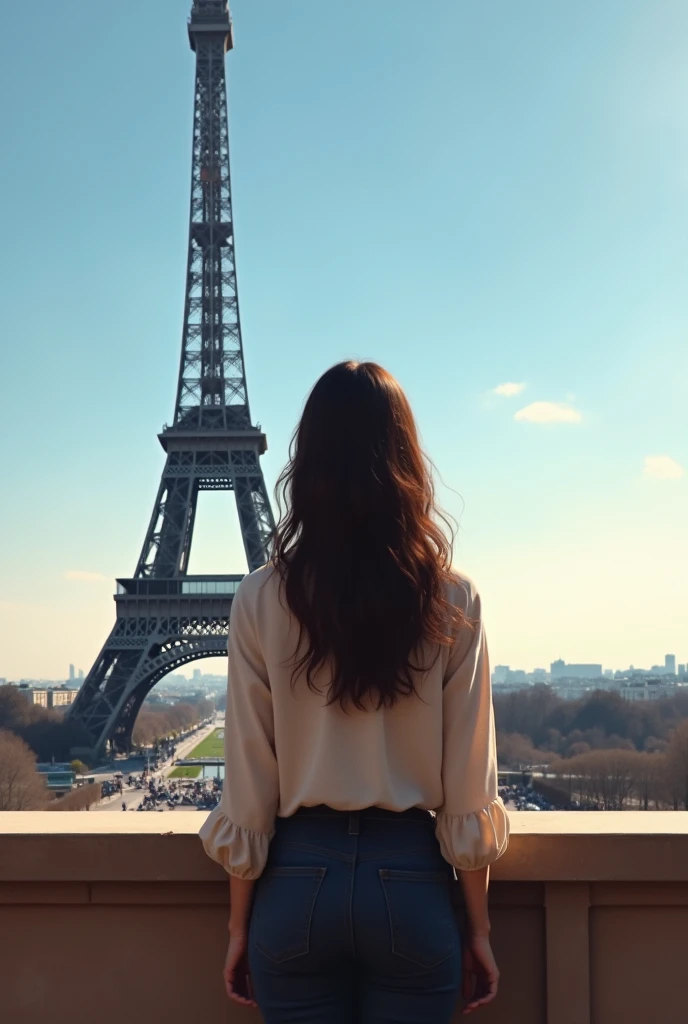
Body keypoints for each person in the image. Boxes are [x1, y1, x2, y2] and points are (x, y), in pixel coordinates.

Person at [200, 362, 509, 1023]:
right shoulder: (454, 599)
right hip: (413, 886)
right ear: (406, 458)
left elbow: (249, 792)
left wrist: (237, 928)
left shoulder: (260, 597)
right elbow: (469, 791)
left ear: (305, 461)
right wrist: (477, 928)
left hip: (294, 886)